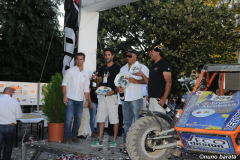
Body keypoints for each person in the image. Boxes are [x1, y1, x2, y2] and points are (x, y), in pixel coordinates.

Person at [118, 48, 149, 144]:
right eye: (126, 56)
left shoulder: (142, 67)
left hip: (136, 98)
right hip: (125, 98)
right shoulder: (122, 68)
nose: (127, 57)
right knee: (126, 122)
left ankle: (137, 143)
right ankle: (126, 142)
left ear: (135, 56)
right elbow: (119, 82)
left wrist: (136, 81)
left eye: (129, 55)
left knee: (137, 121)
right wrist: (119, 88)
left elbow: (148, 81)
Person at [91, 48, 120, 148]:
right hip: (102, 96)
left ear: (112, 56)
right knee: (101, 118)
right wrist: (95, 79)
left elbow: (120, 82)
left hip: (112, 96)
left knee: (114, 119)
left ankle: (114, 140)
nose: (106, 56)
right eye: (105, 55)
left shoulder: (117, 67)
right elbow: (99, 82)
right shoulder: (102, 68)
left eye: (109, 54)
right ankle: (100, 140)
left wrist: (114, 91)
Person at [62, 52, 90, 144]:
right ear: (75, 60)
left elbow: (86, 88)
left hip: (80, 100)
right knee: (68, 119)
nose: (78, 61)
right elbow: (64, 84)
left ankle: (74, 137)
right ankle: (67, 138)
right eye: (77, 59)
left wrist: (87, 100)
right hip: (70, 98)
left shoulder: (86, 74)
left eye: (80, 59)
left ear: (84, 60)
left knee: (78, 120)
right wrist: (64, 97)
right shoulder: (70, 71)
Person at [135, 44, 171, 113]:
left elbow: (168, 82)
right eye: (149, 52)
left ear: (158, 52)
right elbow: (149, 83)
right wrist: (142, 74)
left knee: (159, 122)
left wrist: (164, 98)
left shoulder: (164, 64)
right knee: (152, 122)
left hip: (160, 100)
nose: (149, 53)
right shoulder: (153, 65)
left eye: (151, 51)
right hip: (152, 99)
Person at [0, 87, 23, 160]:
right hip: (10, 126)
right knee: (8, 144)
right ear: (10, 93)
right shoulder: (14, 101)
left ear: (4, 92)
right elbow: (19, 116)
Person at [89, 71, 99, 137]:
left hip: (100, 102)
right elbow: (88, 92)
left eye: (97, 75)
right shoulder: (91, 82)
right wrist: (90, 103)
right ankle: (93, 132)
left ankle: (98, 131)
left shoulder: (101, 82)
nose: (95, 76)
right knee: (93, 117)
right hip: (93, 101)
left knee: (99, 118)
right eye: (95, 74)